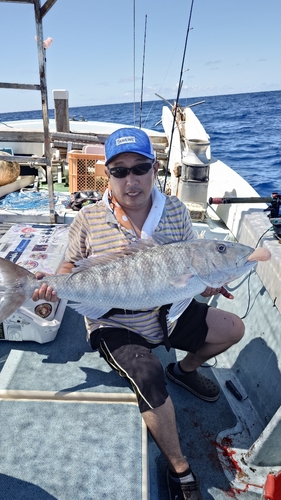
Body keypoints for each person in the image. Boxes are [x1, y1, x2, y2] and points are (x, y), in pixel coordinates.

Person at [32, 127, 245, 500]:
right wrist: (53, 284)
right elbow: (69, 265)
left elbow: (190, 270)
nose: (131, 180)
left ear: (155, 168)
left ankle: (185, 370)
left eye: (140, 168)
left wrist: (209, 282)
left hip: (166, 312)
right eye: (119, 171)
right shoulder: (87, 219)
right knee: (148, 376)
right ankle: (179, 467)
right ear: (108, 174)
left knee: (232, 328)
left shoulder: (175, 211)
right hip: (114, 321)